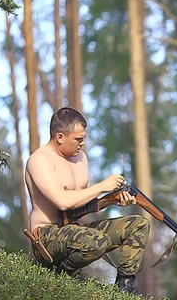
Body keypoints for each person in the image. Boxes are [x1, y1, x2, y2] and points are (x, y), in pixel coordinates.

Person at [24, 107, 149, 293]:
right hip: (47, 236)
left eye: (83, 138)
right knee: (96, 241)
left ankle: (124, 289)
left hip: (76, 231)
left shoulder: (80, 158)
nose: (82, 144)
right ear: (59, 137)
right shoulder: (39, 160)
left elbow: (83, 206)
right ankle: (60, 274)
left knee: (139, 224)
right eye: (77, 139)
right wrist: (101, 186)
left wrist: (111, 200)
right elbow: (63, 202)